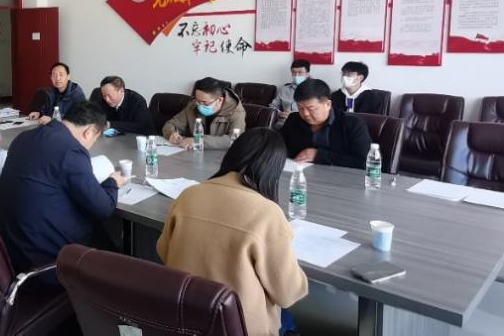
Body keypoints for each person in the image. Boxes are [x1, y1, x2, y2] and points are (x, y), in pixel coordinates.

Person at [158, 128, 308, 336]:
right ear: (274, 170)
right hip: (237, 328)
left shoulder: (188, 195)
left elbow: (164, 251)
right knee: (290, 320)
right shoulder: (268, 214)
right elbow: (288, 294)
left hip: (184, 320)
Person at [0, 101, 126, 293]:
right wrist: (112, 182)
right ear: (89, 132)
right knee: (112, 248)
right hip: (48, 264)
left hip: (11, 254)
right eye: (94, 139)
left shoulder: (24, 137)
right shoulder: (70, 150)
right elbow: (103, 208)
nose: (90, 146)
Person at [280, 78, 371, 169]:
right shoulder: (293, 120)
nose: (305, 114)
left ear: (328, 104)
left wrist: (319, 155)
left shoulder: (353, 125)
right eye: (300, 108)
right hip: (298, 173)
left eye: (311, 109)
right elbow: (279, 147)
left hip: (337, 176)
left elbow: (363, 162)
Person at [162, 77, 246, 150]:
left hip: (220, 157)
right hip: (192, 153)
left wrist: (200, 140)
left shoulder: (236, 111)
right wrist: (171, 133)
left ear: (219, 100)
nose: (199, 104)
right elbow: (170, 124)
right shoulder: (193, 105)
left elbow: (234, 139)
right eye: (197, 100)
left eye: (204, 102)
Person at [270, 59, 311, 126]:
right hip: (282, 124)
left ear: (307, 74)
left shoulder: (314, 90)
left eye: (300, 72)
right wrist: (279, 113)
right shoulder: (284, 89)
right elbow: (273, 106)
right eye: (294, 72)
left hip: (302, 124)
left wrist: (292, 116)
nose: (296, 75)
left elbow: (314, 113)